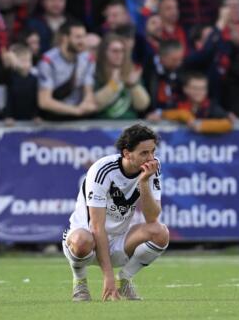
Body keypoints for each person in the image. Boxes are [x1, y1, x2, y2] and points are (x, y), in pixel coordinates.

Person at [63, 124, 169, 302]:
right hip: (88, 239)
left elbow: (152, 217)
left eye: (153, 151)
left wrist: (144, 183)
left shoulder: (152, 168)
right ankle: (80, 281)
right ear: (127, 153)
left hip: (120, 240)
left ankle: (125, 279)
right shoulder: (102, 171)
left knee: (160, 232)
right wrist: (107, 277)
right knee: (82, 241)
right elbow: (96, 227)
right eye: (144, 153)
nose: (151, 158)